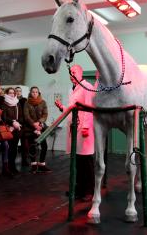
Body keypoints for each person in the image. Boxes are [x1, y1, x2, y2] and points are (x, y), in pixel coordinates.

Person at [55, 65, 95, 201]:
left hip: (84, 130)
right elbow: (73, 109)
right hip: (74, 129)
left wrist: (86, 127)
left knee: (86, 162)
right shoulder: (74, 89)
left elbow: (90, 108)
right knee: (77, 161)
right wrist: (62, 108)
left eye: (74, 72)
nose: (72, 75)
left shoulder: (87, 86)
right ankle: (79, 189)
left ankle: (89, 191)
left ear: (81, 73)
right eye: (70, 73)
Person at [23, 86, 51, 173]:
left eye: (36, 92)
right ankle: (34, 165)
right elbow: (26, 116)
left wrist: (39, 123)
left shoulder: (43, 102)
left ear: (38, 93)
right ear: (30, 93)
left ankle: (42, 164)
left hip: (41, 127)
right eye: (33, 92)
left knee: (44, 146)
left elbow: (45, 114)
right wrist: (33, 124)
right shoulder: (27, 103)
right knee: (32, 146)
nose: (35, 93)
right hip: (30, 128)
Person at [2, 87, 23, 175]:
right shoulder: (4, 103)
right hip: (8, 128)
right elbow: (4, 117)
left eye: (13, 93)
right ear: (6, 93)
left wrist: (17, 123)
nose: (12, 94)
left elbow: (21, 116)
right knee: (8, 149)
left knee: (14, 149)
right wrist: (12, 122)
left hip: (17, 129)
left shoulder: (17, 103)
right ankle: (7, 168)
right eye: (10, 92)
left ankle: (13, 166)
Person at [15, 86, 29, 167]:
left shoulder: (24, 100)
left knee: (25, 144)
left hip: (24, 124)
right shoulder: (12, 100)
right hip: (15, 124)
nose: (18, 92)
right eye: (17, 91)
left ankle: (24, 160)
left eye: (19, 91)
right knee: (14, 143)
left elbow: (27, 112)